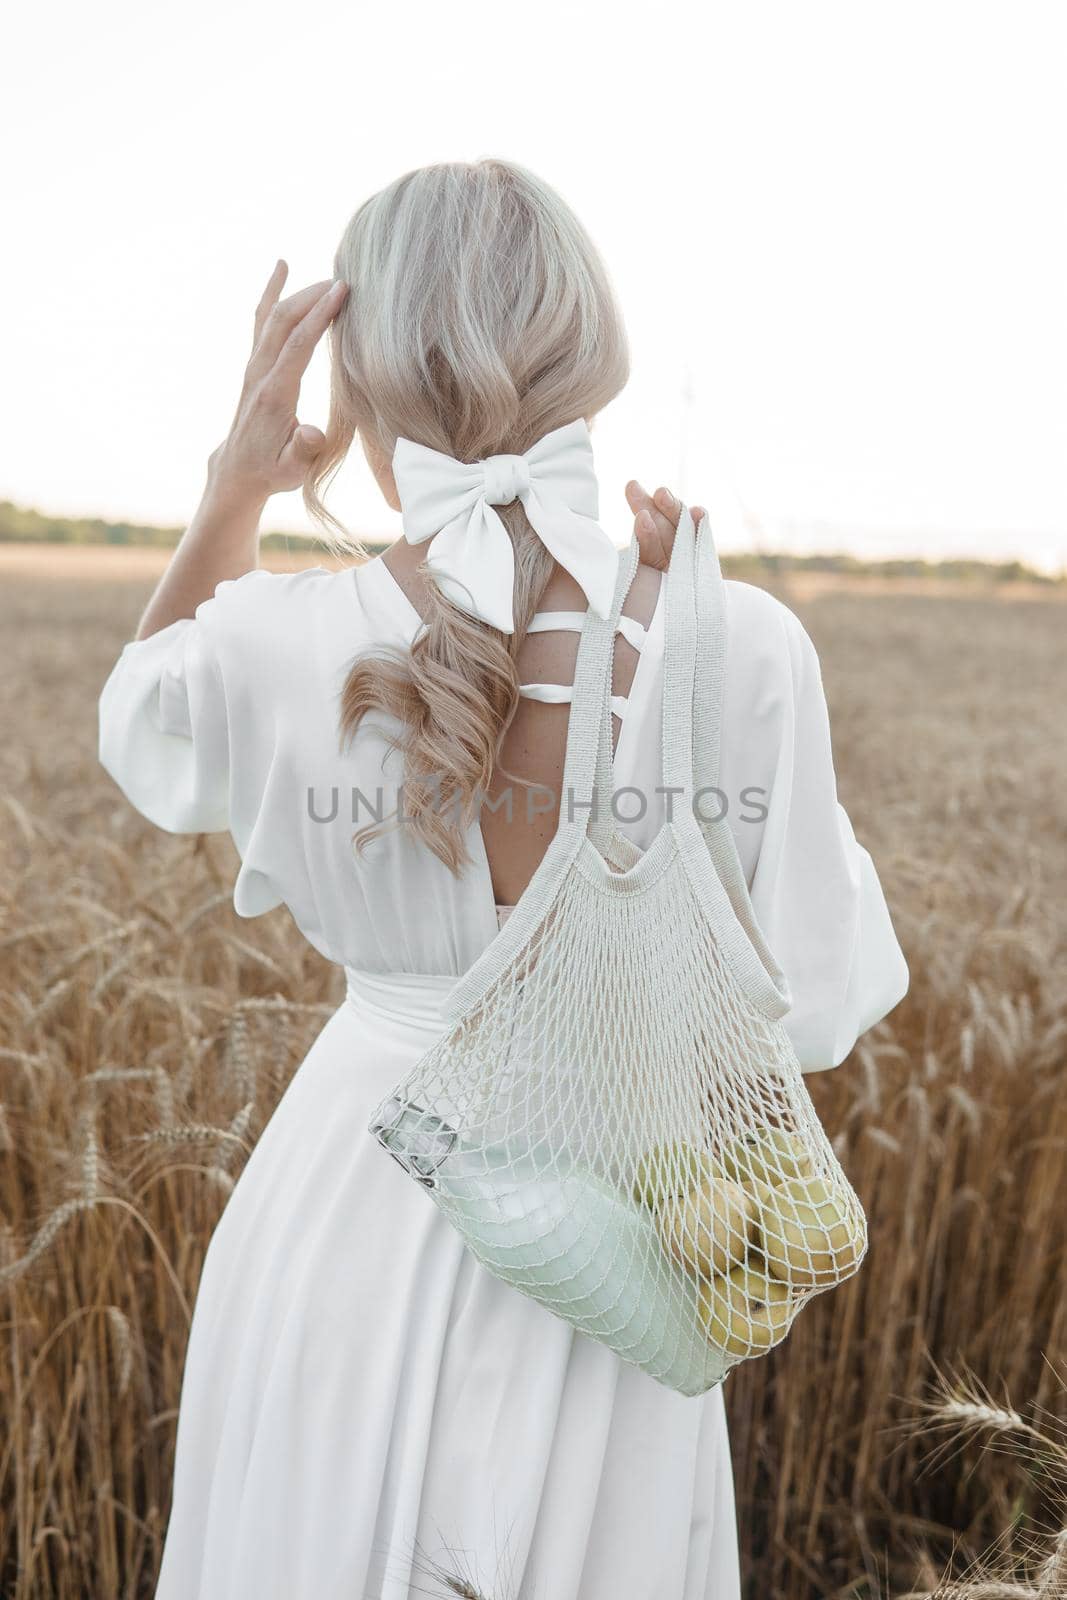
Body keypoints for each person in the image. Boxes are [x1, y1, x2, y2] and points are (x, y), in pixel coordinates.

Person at [97, 158, 908, 1600]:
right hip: (619, 1253)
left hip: (345, 1213)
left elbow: (143, 729)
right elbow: (820, 1003)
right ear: (593, 352)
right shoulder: (746, 642)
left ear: (352, 375)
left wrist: (239, 484)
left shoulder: (278, 636)